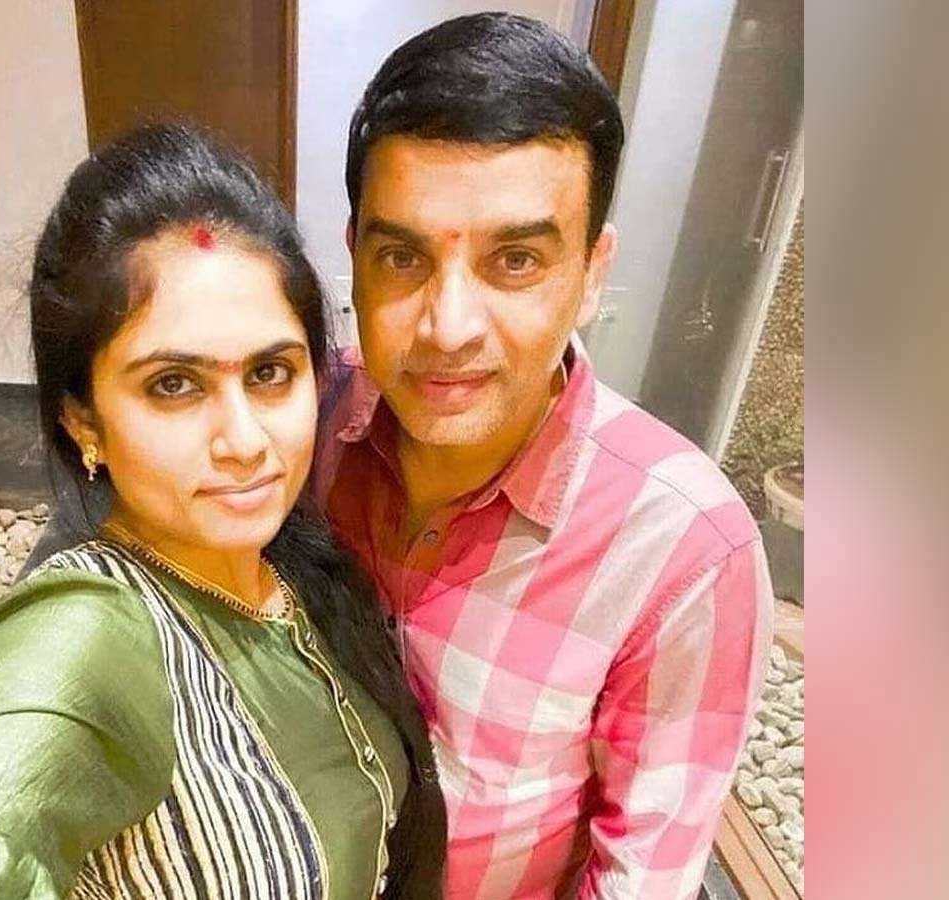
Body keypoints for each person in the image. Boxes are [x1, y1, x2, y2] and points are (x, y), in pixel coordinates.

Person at [0, 123, 445, 900]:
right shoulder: (86, 635)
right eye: (173, 385)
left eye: (271, 373)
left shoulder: (293, 563)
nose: (245, 442)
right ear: (83, 420)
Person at [313, 13, 774, 900]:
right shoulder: (303, 426)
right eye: (402, 256)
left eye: (515, 260)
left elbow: (640, 878)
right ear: (355, 257)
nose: (448, 327)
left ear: (593, 272)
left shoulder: (680, 549)